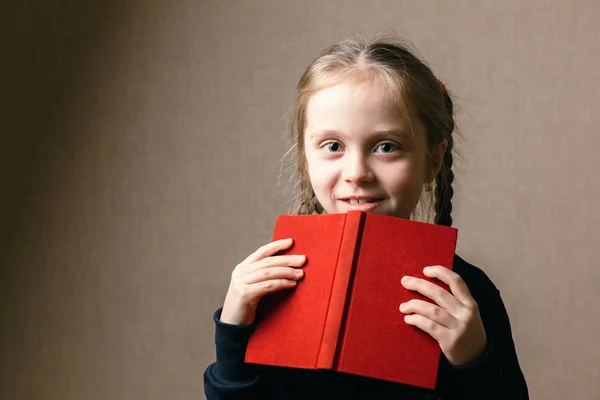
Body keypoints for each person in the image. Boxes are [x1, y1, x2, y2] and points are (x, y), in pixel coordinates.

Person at [203, 33, 529, 399]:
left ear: (433, 160)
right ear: (305, 158)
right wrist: (233, 326)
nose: (356, 172)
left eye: (386, 147)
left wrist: (473, 361)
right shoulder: (274, 283)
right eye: (333, 146)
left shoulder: (466, 296)